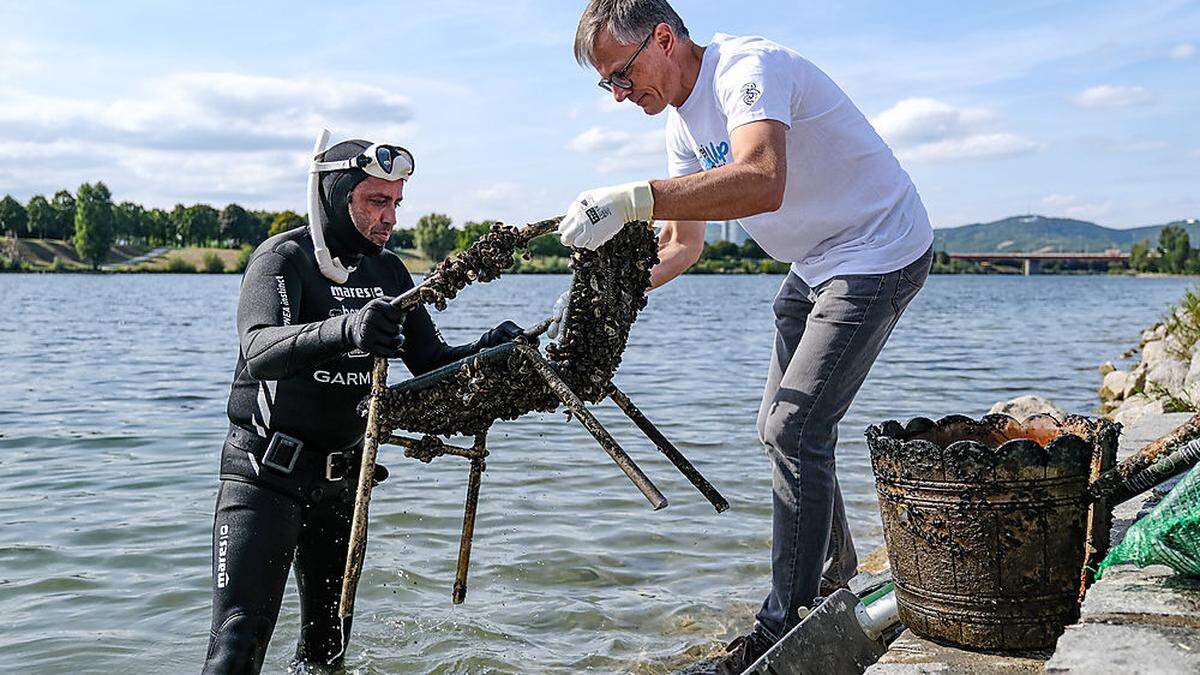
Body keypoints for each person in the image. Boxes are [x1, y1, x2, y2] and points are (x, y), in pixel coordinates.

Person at [560, 1, 935, 671]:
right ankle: (829, 575)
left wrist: (633, 197)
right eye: (606, 84)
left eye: (620, 74)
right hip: (817, 263)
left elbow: (763, 179)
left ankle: (784, 625)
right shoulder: (682, 126)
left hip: (879, 248)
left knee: (797, 427)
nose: (618, 95)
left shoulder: (746, 69)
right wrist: (602, 299)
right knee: (776, 424)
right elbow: (681, 244)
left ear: (664, 38)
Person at [203, 134, 526, 674]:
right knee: (238, 643)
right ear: (334, 196)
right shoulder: (283, 259)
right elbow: (259, 348)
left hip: (344, 484)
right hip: (264, 477)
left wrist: (487, 352)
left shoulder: (391, 274)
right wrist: (349, 328)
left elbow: (431, 363)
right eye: (377, 201)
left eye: (397, 203)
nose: (390, 218)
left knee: (328, 651)